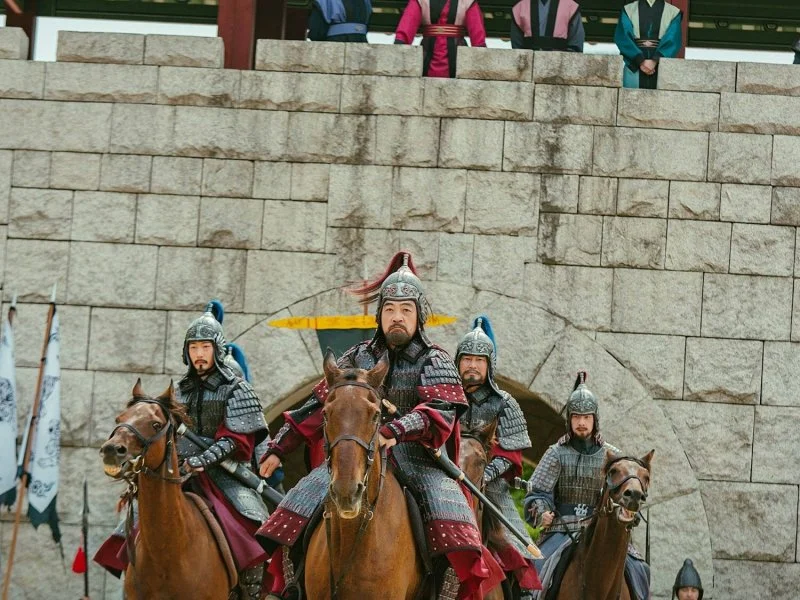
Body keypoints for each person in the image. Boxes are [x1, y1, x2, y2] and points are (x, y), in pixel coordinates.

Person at [256, 251, 502, 599]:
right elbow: (319, 404)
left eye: (405, 310)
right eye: (390, 310)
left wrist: (395, 431)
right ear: (380, 315)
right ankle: (293, 588)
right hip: (357, 455)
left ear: (418, 315)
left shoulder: (435, 360)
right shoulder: (357, 357)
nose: (397, 317)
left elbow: (441, 410)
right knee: (290, 514)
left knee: (458, 532)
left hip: (418, 461)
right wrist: (279, 448)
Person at [94, 301, 271, 600]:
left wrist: (204, 459)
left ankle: (250, 591)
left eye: (205, 347)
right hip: (179, 469)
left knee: (254, 522)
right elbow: (161, 434)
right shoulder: (177, 391)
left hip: (225, 474)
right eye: (194, 348)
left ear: (217, 349)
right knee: (133, 523)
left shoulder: (237, 388)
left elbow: (237, 440)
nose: (199, 354)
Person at [523, 372, 650, 600]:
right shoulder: (555, 454)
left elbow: (620, 494)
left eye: (586, 417)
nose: (581, 422)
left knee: (640, 569)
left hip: (600, 528)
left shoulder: (613, 458)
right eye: (577, 417)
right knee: (535, 568)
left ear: (595, 419)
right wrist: (542, 512)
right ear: (569, 419)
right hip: (561, 529)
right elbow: (537, 493)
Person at [456, 316, 540, 598]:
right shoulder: (446, 398)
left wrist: (483, 475)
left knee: (513, 544)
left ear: (489, 364)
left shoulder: (504, 403)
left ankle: (521, 593)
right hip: (447, 481)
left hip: (491, 489)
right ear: (458, 362)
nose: (472, 365)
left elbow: (510, 451)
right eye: (467, 359)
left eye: (479, 360)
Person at [394, 0, 486, 78]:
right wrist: (399, 45)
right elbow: (408, 24)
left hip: (457, 57)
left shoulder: (468, 1)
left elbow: (477, 32)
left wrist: (481, 52)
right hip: (428, 54)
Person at [614, 0, 683, 89]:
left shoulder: (674, 12)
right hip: (634, 66)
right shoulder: (628, 10)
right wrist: (640, 60)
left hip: (661, 67)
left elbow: (673, 39)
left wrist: (655, 60)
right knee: (631, 96)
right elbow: (623, 37)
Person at [510, 0, 584, 52]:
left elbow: (575, 46)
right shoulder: (519, 7)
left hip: (560, 64)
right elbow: (517, 49)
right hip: (527, 64)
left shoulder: (571, 7)